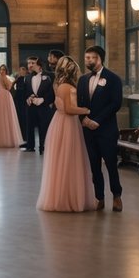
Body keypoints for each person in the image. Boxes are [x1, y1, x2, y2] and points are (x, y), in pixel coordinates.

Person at [36, 55, 96, 212]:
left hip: (62, 122)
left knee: (66, 160)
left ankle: (68, 195)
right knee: (68, 160)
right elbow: (69, 109)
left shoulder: (60, 85)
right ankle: (67, 198)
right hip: (67, 124)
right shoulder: (66, 87)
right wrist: (88, 110)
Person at [77, 45, 124, 212]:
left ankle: (117, 196)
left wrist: (98, 120)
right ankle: (99, 197)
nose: (88, 60)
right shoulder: (82, 80)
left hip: (106, 129)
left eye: (92, 57)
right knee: (94, 165)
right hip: (88, 129)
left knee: (111, 164)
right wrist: (84, 119)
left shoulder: (113, 79)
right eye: (87, 57)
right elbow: (79, 104)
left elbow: (116, 103)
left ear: (100, 59)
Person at [24, 56, 56, 154]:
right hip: (31, 107)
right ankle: (30, 146)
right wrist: (28, 98)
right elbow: (26, 92)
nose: (30, 65)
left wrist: (43, 100)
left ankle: (43, 146)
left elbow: (53, 92)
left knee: (44, 127)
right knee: (30, 126)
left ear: (39, 64)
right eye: (29, 63)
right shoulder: (28, 77)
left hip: (44, 106)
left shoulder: (50, 76)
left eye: (33, 63)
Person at [0, 62, 22, 148]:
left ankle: (6, 138)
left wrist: (8, 79)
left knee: (6, 117)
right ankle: (1, 139)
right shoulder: (1, 77)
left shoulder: (4, 77)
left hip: (3, 97)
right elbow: (7, 86)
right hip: (1, 97)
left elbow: (8, 87)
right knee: (0, 117)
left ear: (6, 71)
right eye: (0, 69)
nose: (2, 71)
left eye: (3, 69)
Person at [11, 63, 30, 149]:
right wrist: (15, 80)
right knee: (18, 117)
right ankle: (19, 136)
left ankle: (25, 137)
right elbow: (12, 87)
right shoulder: (18, 79)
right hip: (18, 100)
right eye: (20, 70)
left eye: (23, 70)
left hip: (24, 100)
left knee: (24, 118)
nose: (21, 71)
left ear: (26, 71)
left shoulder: (28, 79)